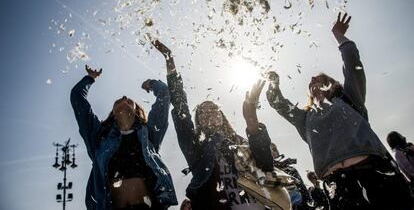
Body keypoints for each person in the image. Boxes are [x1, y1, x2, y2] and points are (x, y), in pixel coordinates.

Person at [265, 12, 413, 209]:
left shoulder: (350, 98)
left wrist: (339, 36)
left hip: (376, 173)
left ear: (331, 83)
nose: (313, 82)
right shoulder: (306, 117)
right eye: (310, 82)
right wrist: (273, 83)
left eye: (319, 79)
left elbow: (353, 65)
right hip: (337, 185)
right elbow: (280, 104)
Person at [151, 38, 285, 210]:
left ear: (222, 116)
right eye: (203, 112)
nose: (209, 113)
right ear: (198, 121)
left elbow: (265, 164)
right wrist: (170, 60)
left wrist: (251, 115)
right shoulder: (194, 145)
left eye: (213, 109)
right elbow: (180, 106)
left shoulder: (238, 142)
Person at [70, 65, 178, 210]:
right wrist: (90, 78)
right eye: (118, 100)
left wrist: (151, 84)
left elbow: (164, 95)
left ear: (136, 111)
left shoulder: (149, 133)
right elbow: (78, 99)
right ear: (113, 112)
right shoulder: (99, 137)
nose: (124, 97)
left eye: (129, 100)